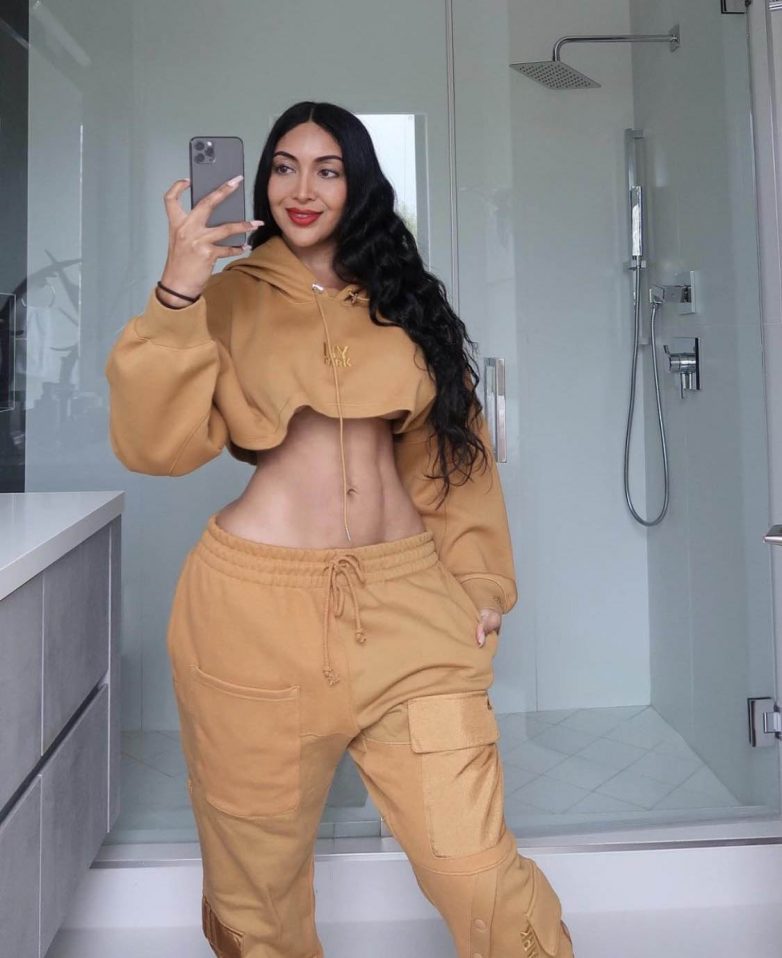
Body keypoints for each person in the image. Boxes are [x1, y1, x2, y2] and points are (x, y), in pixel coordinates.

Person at [104, 101, 575, 958]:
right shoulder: (222, 298)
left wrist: (478, 578)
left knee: (477, 871)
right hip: (253, 613)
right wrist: (178, 288)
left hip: (408, 608)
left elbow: (453, 458)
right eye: (284, 167)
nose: (303, 189)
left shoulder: (404, 300)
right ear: (262, 181)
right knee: (259, 894)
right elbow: (154, 447)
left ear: (358, 183)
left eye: (328, 169)